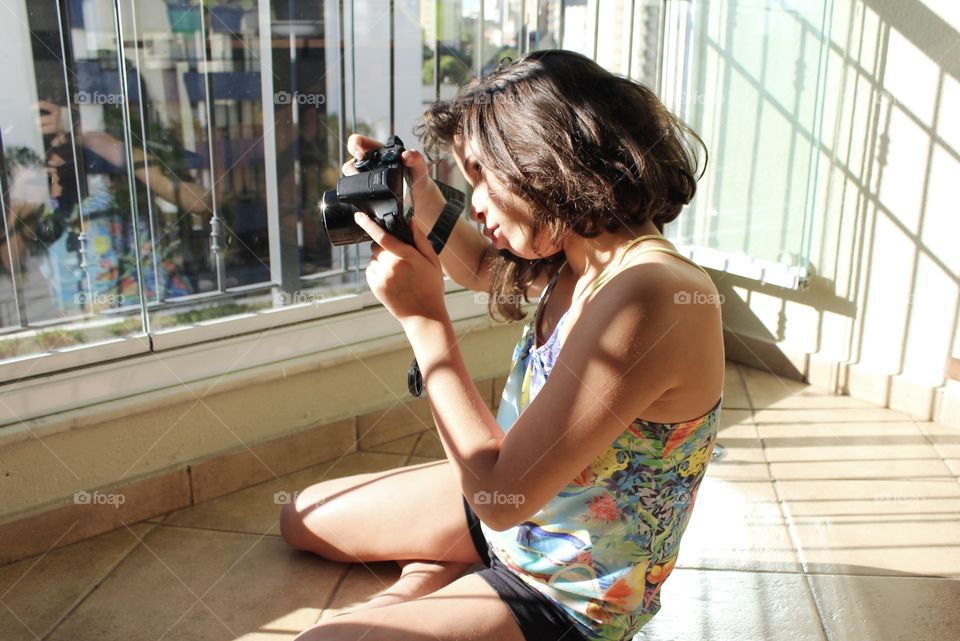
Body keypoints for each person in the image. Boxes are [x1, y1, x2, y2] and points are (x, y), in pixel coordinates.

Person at [280, 49, 725, 641]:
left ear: (544, 157)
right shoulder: (582, 254)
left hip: (567, 590)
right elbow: (482, 266)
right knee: (301, 517)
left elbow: (498, 498)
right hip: (515, 508)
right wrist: (420, 196)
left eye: (482, 177)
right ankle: (432, 579)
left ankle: (429, 588)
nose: (477, 204)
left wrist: (423, 320)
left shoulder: (652, 294)